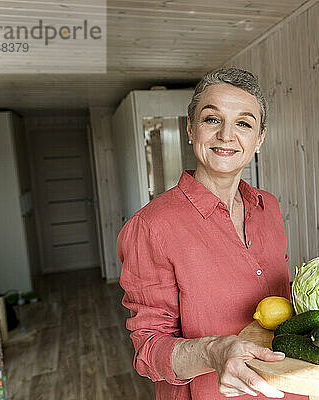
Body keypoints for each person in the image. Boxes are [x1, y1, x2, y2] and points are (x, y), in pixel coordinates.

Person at [118, 68, 308, 400]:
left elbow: (284, 296)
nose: (226, 135)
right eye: (212, 120)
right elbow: (148, 351)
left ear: (259, 139)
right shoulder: (151, 226)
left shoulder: (270, 208)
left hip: (286, 388)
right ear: (190, 129)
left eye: (244, 123)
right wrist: (213, 352)